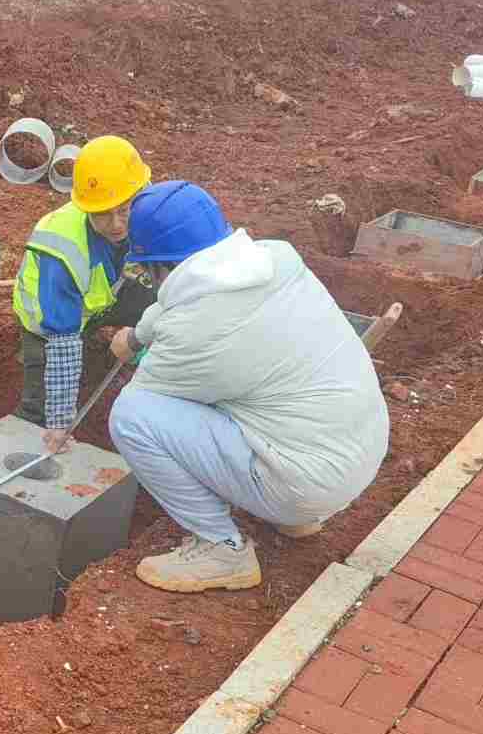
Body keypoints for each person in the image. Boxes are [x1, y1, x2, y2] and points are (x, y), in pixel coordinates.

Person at [106, 181, 389, 593]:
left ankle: (223, 550)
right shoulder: (274, 260)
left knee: (131, 415)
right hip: (359, 448)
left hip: (306, 481)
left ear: (157, 267)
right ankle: (296, 518)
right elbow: (182, 298)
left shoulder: (198, 333)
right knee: (259, 391)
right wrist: (136, 335)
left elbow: (155, 389)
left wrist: (134, 348)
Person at [12, 134, 158, 452]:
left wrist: (142, 334)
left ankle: (147, 356)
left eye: (125, 210)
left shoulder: (148, 213)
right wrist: (60, 420)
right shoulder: (62, 251)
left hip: (100, 300)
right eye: (103, 214)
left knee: (156, 287)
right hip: (49, 323)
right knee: (40, 406)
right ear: (86, 207)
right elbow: (64, 343)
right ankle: (32, 423)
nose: (117, 224)